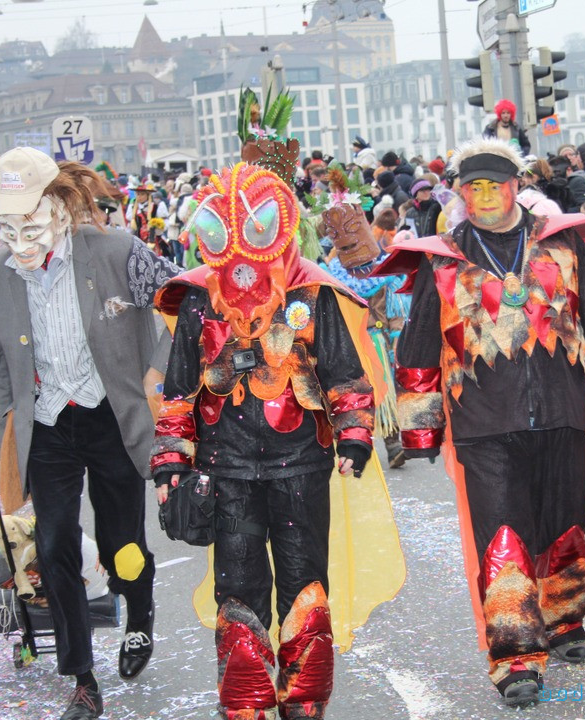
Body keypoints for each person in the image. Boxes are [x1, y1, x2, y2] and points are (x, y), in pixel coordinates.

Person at [378, 139, 585, 707]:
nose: (485, 195)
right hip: (483, 419)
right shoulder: (442, 256)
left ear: (517, 185)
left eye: (495, 184)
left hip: (563, 411)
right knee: (502, 533)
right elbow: (419, 340)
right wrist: (420, 426)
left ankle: (565, 620)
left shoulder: (562, 242)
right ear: (461, 194)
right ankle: (515, 655)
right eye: (473, 187)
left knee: (567, 520)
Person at [152, 161, 403, 720]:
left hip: (300, 465)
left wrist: (354, 432)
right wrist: (172, 458)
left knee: (304, 582)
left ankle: (304, 703)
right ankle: (246, 707)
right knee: (238, 592)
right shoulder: (198, 299)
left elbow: (343, 371)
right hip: (227, 470)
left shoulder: (311, 293)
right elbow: (178, 390)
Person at [0, 147, 179, 719]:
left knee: (122, 545)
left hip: (111, 416)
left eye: (32, 223)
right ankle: (82, 676)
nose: (22, 238)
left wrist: (156, 374)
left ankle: (138, 617)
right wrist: (2, 446)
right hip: (46, 424)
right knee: (54, 544)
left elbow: (181, 304)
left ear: (61, 207)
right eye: (8, 226)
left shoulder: (116, 250)